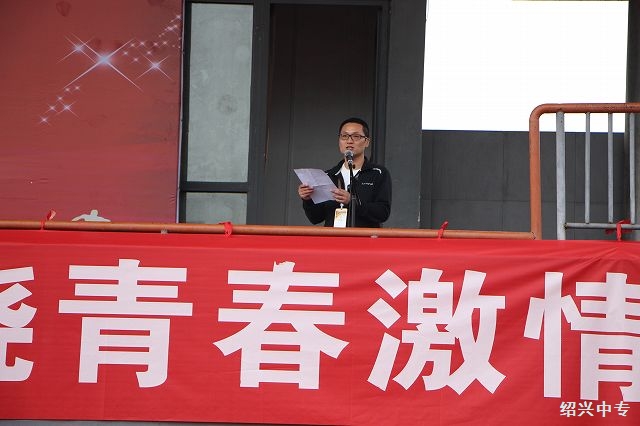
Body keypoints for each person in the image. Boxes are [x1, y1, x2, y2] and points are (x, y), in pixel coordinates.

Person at [297, 117, 392, 227]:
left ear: (367, 142)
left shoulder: (378, 173)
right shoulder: (329, 175)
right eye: (344, 136)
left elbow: (383, 213)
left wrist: (352, 202)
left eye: (356, 136)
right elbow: (316, 218)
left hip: (364, 237)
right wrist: (308, 199)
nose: (349, 141)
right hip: (334, 236)